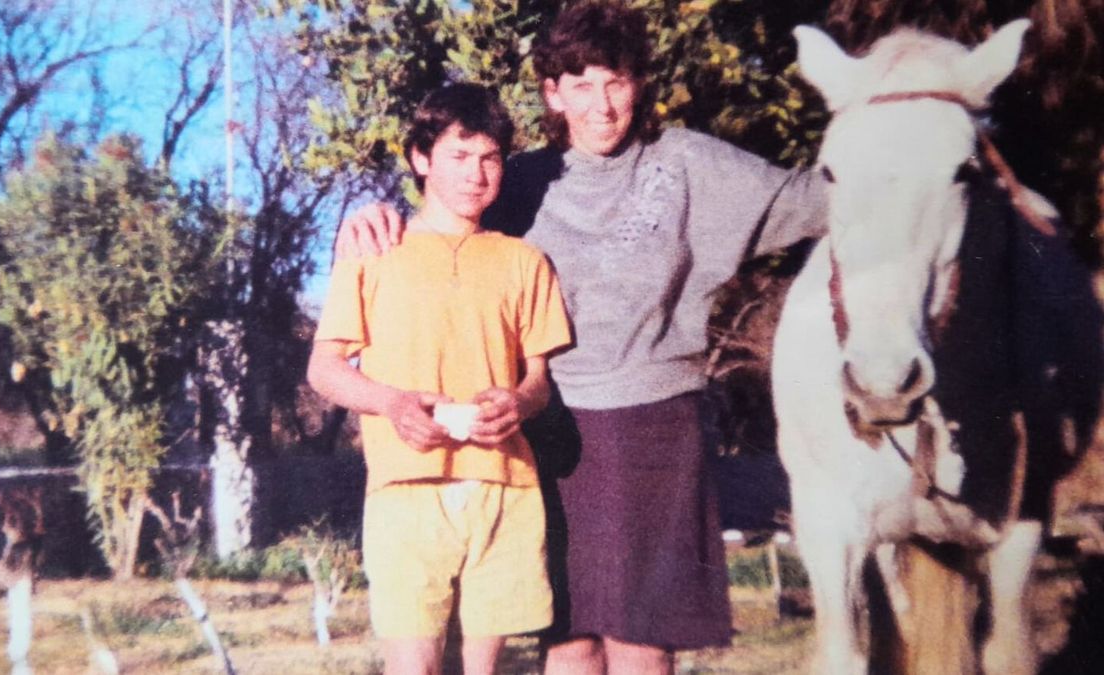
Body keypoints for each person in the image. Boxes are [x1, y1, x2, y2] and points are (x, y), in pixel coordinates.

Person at [335, 3, 827, 672]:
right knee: (567, 643)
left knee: (640, 648)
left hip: (653, 430)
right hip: (545, 434)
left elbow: (811, 200)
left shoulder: (685, 163)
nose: (602, 104)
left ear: (640, 87)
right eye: (582, 84)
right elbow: (443, 218)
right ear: (552, 94)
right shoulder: (521, 179)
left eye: (618, 81)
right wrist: (371, 215)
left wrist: (925, 149)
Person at [307, 83, 572, 675]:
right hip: (406, 490)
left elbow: (539, 381)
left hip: (505, 487)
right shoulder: (373, 250)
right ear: (420, 160)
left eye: (491, 158)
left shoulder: (523, 260)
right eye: (459, 155)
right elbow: (323, 369)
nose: (477, 174)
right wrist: (394, 403)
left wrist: (518, 403)